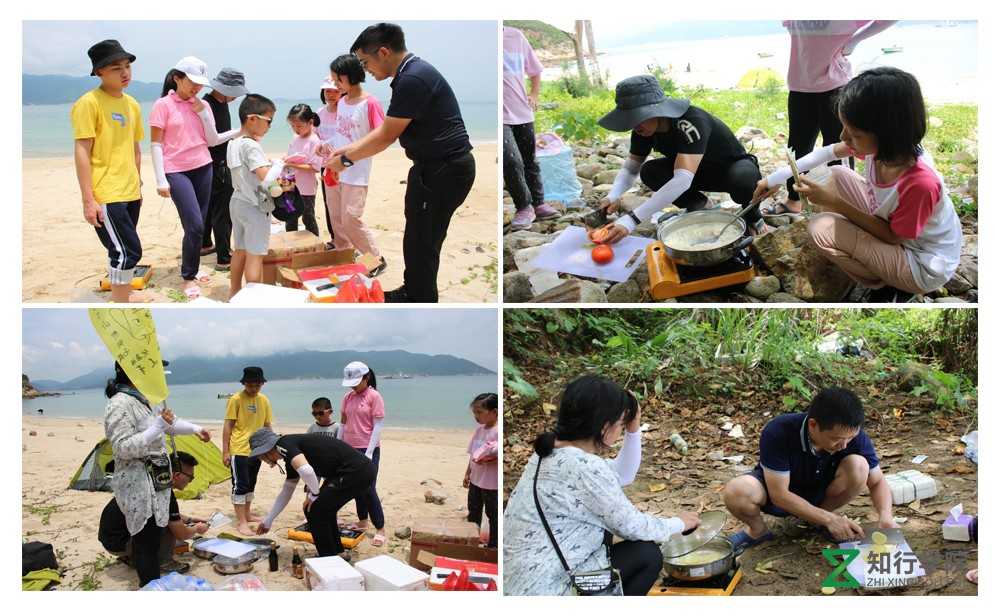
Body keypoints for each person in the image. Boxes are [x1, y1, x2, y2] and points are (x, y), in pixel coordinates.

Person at [754, 67, 962, 302]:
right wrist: (774, 179)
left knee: (820, 228)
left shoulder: (920, 183)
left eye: (854, 134)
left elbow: (894, 237)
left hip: (921, 263)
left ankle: (886, 283)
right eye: (844, 127)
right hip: (898, 233)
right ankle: (876, 259)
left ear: (887, 133)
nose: (843, 137)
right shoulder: (885, 148)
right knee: (838, 174)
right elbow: (827, 152)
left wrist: (834, 203)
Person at [503, 375, 699, 596]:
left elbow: (622, 475)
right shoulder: (586, 467)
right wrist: (680, 523)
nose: (621, 429)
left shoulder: (547, 454)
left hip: (520, 583)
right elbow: (633, 526)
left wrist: (633, 430)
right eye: (621, 424)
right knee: (646, 554)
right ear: (605, 426)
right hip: (550, 588)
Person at [322, 23, 476, 303]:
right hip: (432, 168)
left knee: (423, 240)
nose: (365, 70)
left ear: (383, 52)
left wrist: (345, 159)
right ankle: (413, 290)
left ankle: (420, 298)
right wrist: (346, 150)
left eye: (365, 62)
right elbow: (384, 130)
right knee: (417, 237)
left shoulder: (412, 79)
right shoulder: (410, 74)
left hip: (444, 169)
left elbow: (385, 135)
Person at [591, 75, 773, 245]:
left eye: (640, 117)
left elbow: (682, 180)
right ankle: (698, 204)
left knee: (743, 179)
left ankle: (754, 217)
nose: (635, 125)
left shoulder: (689, 122)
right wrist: (612, 196)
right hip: (696, 173)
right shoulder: (642, 130)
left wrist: (631, 220)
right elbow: (631, 169)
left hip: (729, 169)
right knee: (650, 171)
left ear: (657, 110)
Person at [723, 387, 896, 555]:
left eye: (850, 438)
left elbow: (877, 481)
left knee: (859, 466)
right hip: (779, 494)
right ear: (813, 425)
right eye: (836, 439)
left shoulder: (852, 436)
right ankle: (758, 531)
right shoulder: (779, 431)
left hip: (821, 493)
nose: (844, 445)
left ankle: (818, 521)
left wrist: (886, 516)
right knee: (737, 491)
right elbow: (779, 495)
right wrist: (831, 519)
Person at [763, 21, 896, 218]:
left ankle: (842, 206)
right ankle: (794, 198)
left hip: (834, 82)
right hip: (800, 83)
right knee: (798, 144)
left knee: (842, 146)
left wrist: (853, 41)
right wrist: (774, 178)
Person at [102, 361, 210, 587]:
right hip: (137, 484)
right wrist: (158, 426)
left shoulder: (146, 400)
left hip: (157, 480)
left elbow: (170, 424)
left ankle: (154, 585)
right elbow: (122, 448)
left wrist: (195, 429)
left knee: (154, 535)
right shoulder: (119, 404)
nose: (159, 378)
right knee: (145, 541)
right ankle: (150, 587)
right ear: (135, 373)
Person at [149, 56, 242, 300]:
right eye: (192, 82)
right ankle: (188, 276)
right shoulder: (162, 105)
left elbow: (213, 140)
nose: (197, 87)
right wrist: (161, 179)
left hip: (203, 167)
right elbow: (156, 144)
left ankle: (194, 266)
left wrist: (238, 130)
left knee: (197, 225)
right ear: (177, 78)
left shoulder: (203, 105)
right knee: (195, 225)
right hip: (176, 170)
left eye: (200, 83)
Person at [71, 40, 146, 303]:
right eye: (116, 68)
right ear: (99, 71)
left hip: (130, 190)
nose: (125, 73)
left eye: (127, 66)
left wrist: (138, 184)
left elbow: (134, 148)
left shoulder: (132, 104)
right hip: (106, 192)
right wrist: (88, 200)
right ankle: (120, 302)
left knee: (118, 249)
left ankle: (123, 294)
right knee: (128, 252)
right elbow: (82, 151)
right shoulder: (89, 103)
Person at [251, 427, 376, 558]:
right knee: (320, 509)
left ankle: (327, 556)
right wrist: (269, 520)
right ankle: (338, 552)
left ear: (266, 450)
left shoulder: (282, 445)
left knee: (315, 510)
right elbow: (287, 490)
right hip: (352, 470)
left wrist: (314, 495)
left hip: (356, 471)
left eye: (260, 456)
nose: (262, 460)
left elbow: (306, 470)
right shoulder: (289, 452)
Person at [98, 451, 209, 575]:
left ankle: (133, 557)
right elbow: (181, 534)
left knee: (160, 521)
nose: (191, 481)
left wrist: (190, 520)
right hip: (122, 544)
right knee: (165, 525)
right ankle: (165, 562)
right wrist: (197, 528)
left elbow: (166, 511)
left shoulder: (150, 481)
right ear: (177, 475)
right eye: (191, 478)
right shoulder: (164, 492)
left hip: (109, 539)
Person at [324, 54, 387, 275]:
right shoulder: (342, 102)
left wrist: (349, 157)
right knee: (337, 219)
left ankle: (376, 260)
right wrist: (326, 145)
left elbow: (381, 137)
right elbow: (343, 134)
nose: (335, 85)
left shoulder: (370, 103)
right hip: (335, 169)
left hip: (357, 171)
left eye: (338, 80)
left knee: (351, 219)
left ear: (350, 76)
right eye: (334, 80)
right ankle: (346, 256)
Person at [503, 25, 557, 231]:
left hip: (522, 110)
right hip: (501, 116)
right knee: (511, 161)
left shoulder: (515, 36)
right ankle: (524, 207)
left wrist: (534, 94)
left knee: (529, 159)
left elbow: (534, 70)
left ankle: (538, 203)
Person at [226, 94, 278, 299]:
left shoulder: (234, 143)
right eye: (269, 121)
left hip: (237, 201)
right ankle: (254, 299)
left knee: (239, 250)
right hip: (254, 205)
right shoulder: (252, 145)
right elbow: (266, 179)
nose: (270, 126)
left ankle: (234, 292)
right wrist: (279, 168)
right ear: (252, 118)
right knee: (255, 256)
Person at [200, 68, 249, 272]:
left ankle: (205, 244)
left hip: (213, 163)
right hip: (216, 164)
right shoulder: (208, 105)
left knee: (210, 208)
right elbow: (213, 139)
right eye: (235, 93)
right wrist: (241, 132)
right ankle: (223, 256)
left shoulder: (219, 103)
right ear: (226, 89)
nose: (236, 98)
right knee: (222, 212)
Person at [337, 361, 387, 546]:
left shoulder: (374, 396)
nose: (353, 386)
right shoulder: (347, 397)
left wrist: (369, 452)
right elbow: (343, 423)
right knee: (357, 487)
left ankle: (380, 528)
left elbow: (378, 426)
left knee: (369, 488)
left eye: (356, 382)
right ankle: (363, 521)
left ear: (366, 378)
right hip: (349, 448)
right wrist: (337, 445)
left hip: (368, 448)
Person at [222, 366, 273, 536]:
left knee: (251, 483)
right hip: (239, 449)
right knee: (240, 485)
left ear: (262, 384)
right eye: (250, 385)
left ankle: (248, 514)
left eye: (257, 385)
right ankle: (241, 522)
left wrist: (271, 448)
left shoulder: (264, 400)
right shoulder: (236, 399)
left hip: (257, 450)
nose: (254, 388)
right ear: (244, 384)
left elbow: (267, 425)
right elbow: (228, 426)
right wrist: (225, 451)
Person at [282, 104, 323, 236]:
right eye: (293, 126)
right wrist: (284, 160)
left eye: (299, 126)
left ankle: (314, 243)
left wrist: (293, 165)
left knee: (308, 217)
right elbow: (289, 156)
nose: (296, 129)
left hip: (306, 188)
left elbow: (315, 167)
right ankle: (291, 244)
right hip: (289, 184)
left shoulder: (314, 141)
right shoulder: (295, 138)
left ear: (310, 122)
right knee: (290, 217)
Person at [463, 393, 498, 549]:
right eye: (474, 413)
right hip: (476, 480)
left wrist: (491, 460)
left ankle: (493, 546)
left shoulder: (498, 432)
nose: (476, 416)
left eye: (479, 412)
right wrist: (467, 473)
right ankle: (472, 542)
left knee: (493, 514)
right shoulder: (479, 430)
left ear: (494, 412)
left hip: (491, 484)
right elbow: (473, 453)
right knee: (474, 510)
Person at [316, 78, 342, 246]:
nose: (331, 95)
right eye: (327, 91)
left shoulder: (345, 112)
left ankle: (347, 240)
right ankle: (335, 238)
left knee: (344, 204)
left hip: (343, 164)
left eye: (335, 91)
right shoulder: (319, 113)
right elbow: (314, 134)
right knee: (330, 204)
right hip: (325, 165)